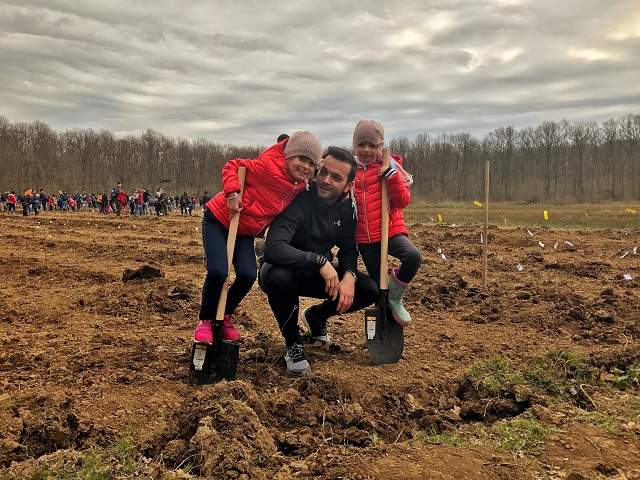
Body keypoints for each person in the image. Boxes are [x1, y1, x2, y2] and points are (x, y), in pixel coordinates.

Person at [194, 131, 323, 345]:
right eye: (301, 159)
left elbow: (323, 184)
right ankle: (206, 320)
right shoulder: (266, 166)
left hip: (245, 232)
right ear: (289, 156)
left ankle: (223, 317)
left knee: (247, 275)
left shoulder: (301, 184)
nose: (305, 166)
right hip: (219, 220)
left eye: (311, 162)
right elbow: (232, 166)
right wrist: (232, 194)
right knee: (218, 271)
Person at [259, 146, 378, 375]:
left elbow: (348, 250)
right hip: (282, 268)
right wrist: (320, 261)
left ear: (348, 185)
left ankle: (316, 317)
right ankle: (293, 342)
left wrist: (350, 277)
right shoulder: (298, 198)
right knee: (278, 276)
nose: (325, 180)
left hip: (316, 274)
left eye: (336, 177)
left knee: (369, 288)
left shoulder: (347, 210)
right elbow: (273, 248)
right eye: (324, 172)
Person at [351, 119, 421, 326]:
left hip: (390, 230)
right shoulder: (350, 169)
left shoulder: (389, 167)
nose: (366, 150)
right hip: (365, 237)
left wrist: (391, 178)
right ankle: (384, 315)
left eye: (373, 145)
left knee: (412, 257)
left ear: (380, 146)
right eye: (362, 144)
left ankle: (396, 298)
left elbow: (403, 201)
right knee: (377, 285)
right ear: (354, 145)